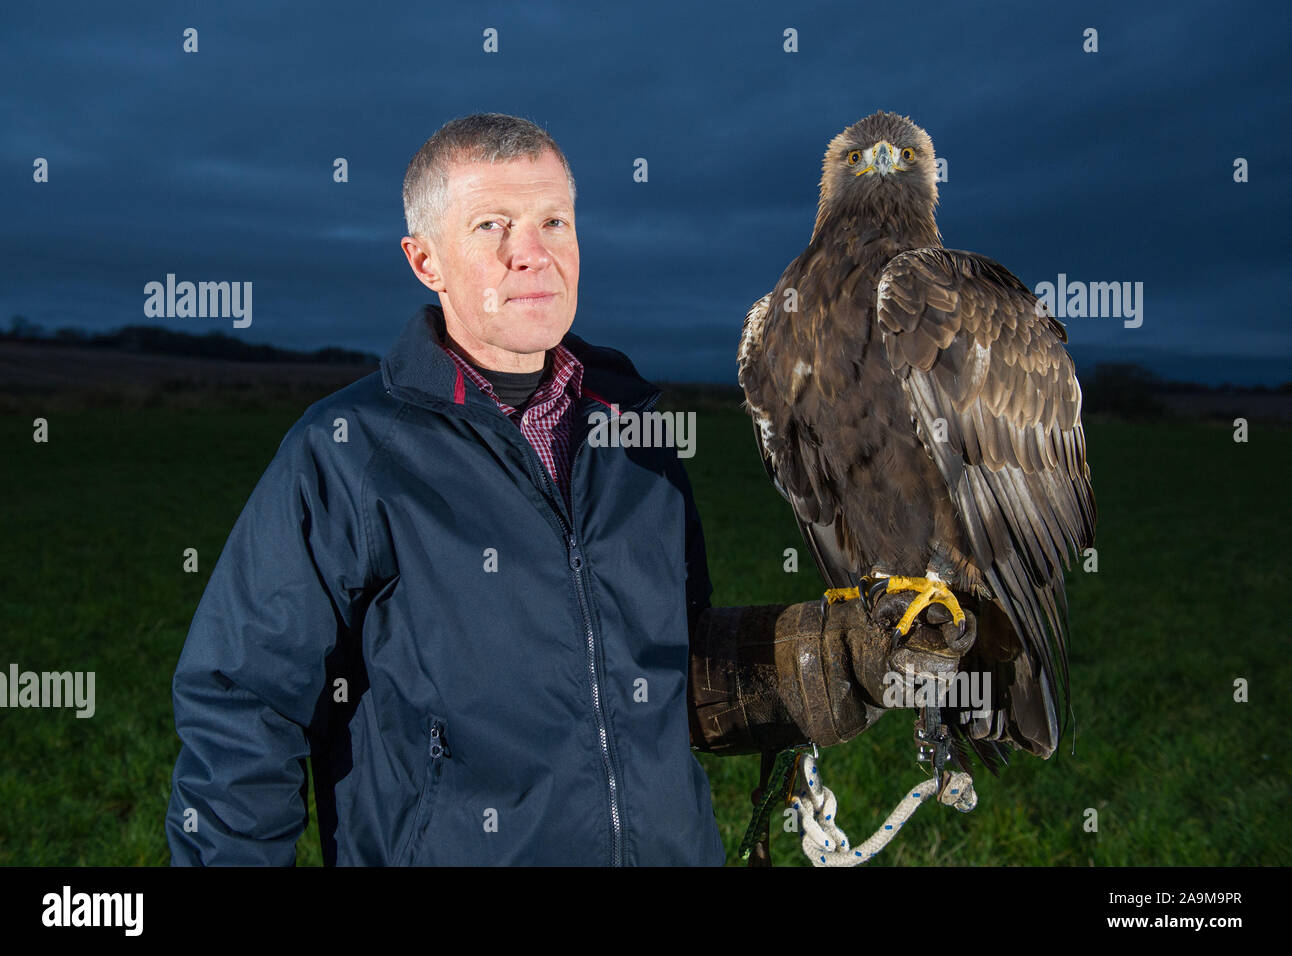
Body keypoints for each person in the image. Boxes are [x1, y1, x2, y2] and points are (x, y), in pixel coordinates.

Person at [165, 113, 974, 866]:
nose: (533, 253)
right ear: (425, 260)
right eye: (494, 227)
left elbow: (661, 670)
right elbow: (242, 714)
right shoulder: (345, 455)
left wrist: (808, 663)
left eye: (554, 222)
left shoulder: (636, 437)